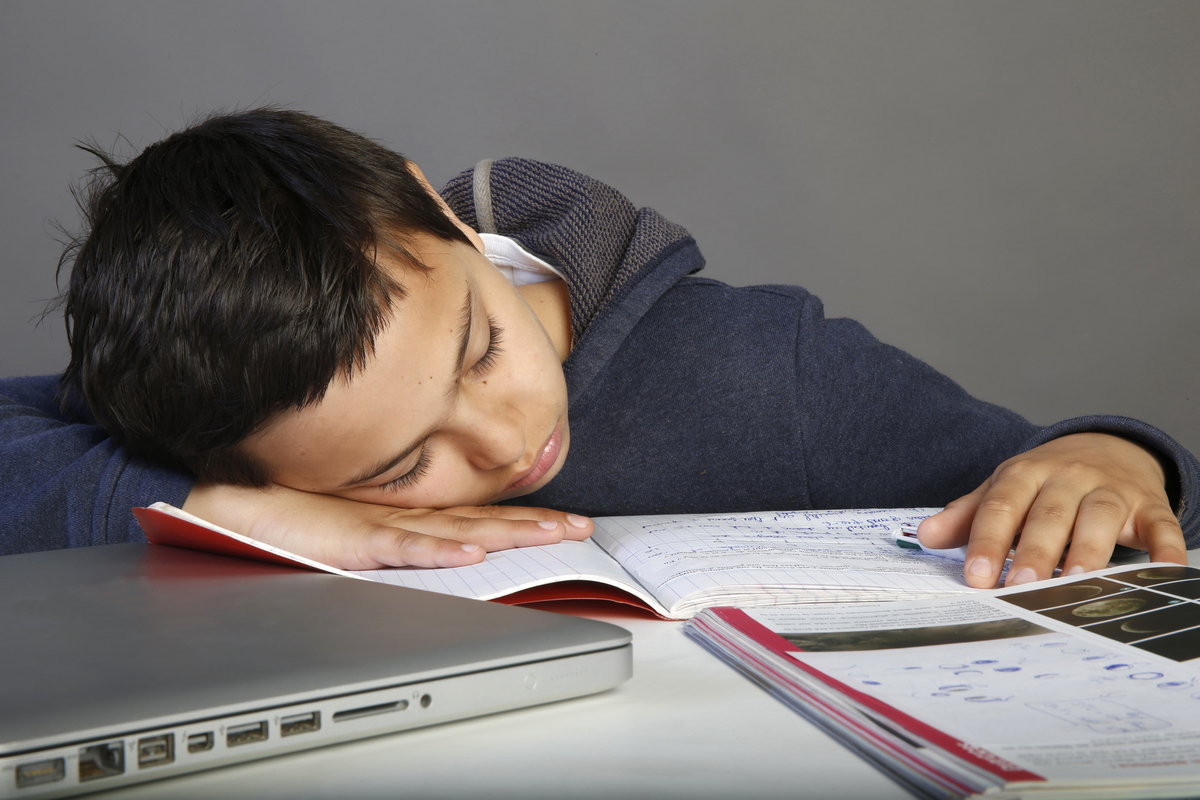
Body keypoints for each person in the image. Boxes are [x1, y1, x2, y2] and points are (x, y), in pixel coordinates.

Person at [1, 108, 1195, 591]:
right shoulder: (229, 408)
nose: (511, 437)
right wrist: (248, 513)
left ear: (447, 214)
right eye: (397, 466)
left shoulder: (760, 367)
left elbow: (1055, 488)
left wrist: (1110, 455)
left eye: (479, 348)